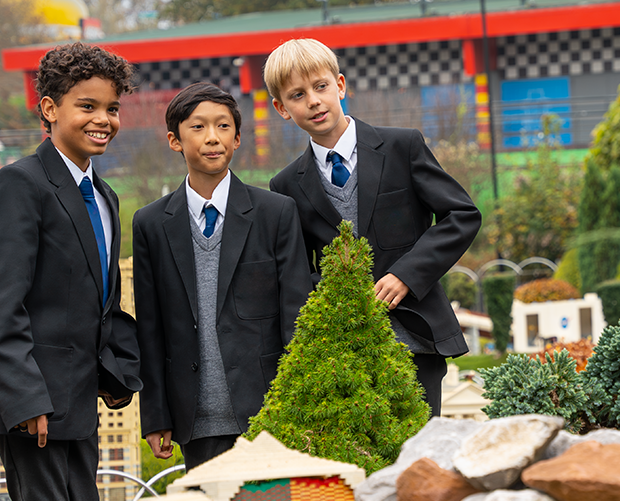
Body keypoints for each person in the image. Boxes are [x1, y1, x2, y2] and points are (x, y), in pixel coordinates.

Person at [0, 42, 141, 501]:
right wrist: (26, 400)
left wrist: (114, 370)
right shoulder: (19, 184)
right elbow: (1, 304)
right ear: (50, 109)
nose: (103, 119)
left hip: (78, 392)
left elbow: (100, 298)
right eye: (87, 106)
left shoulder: (104, 195)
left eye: (111, 108)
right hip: (33, 397)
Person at [265, 39, 481, 416]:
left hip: (416, 336)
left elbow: (461, 215)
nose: (314, 101)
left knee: (417, 460)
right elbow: (297, 273)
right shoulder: (286, 185)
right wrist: (341, 294)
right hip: (343, 353)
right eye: (298, 95)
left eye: (321, 87)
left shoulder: (402, 146)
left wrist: (406, 275)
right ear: (282, 109)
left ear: (341, 86)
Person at [133, 82, 311, 470]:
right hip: (196, 417)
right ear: (174, 140)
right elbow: (150, 327)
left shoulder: (276, 213)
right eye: (198, 127)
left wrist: (296, 403)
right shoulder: (150, 223)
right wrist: (156, 415)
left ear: (238, 138)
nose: (212, 138)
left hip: (269, 412)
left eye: (223, 126)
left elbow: (296, 315)